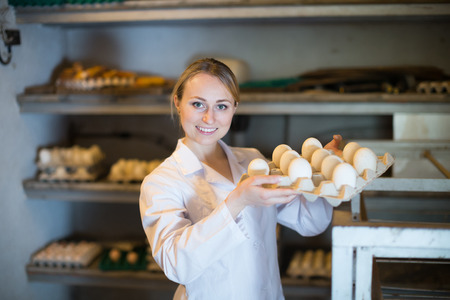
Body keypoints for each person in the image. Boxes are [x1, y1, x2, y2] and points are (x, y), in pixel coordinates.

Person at [140, 58, 339, 299]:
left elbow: (309, 222)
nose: (209, 118)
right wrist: (237, 201)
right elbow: (176, 265)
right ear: (178, 103)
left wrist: (322, 175)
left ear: (235, 107)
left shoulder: (253, 161)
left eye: (221, 106)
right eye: (198, 104)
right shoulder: (162, 182)